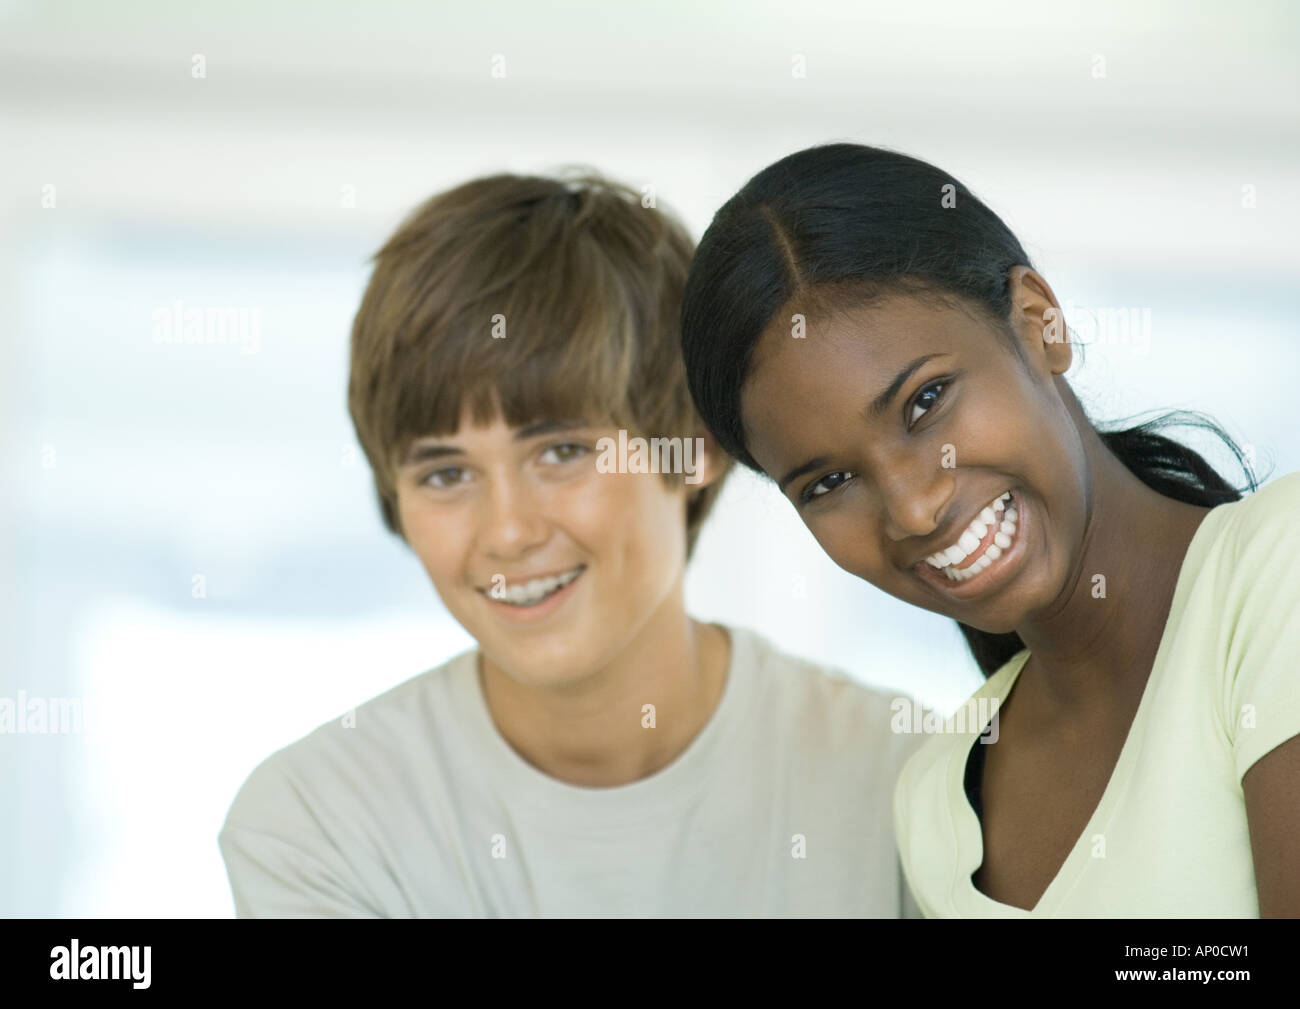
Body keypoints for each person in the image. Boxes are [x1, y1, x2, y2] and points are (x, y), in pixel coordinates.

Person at [218, 169, 923, 917]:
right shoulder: (318, 825)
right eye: (446, 472)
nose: (509, 531)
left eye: (561, 452)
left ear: (693, 447)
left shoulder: (904, 782)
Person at [678, 142, 1300, 917]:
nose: (911, 507)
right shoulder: (939, 802)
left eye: (924, 401)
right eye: (829, 482)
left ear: (1041, 323)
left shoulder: (1278, 570)